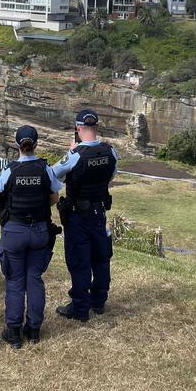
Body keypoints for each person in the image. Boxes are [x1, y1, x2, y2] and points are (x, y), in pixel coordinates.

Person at [0, 125, 62, 348]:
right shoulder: (45, 169)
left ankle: (13, 332)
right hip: (39, 231)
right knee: (34, 279)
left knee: (15, 282)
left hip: (15, 231)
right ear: (36, 144)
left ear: (16, 144)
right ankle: (33, 330)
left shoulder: (10, 170)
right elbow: (55, 197)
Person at [52, 109, 118, 322]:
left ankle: (80, 307)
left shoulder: (75, 155)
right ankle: (98, 302)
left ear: (78, 128)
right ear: (96, 127)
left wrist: (72, 151)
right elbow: (111, 175)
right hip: (100, 212)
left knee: (79, 260)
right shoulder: (110, 152)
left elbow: (53, 174)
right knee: (101, 257)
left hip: (77, 216)